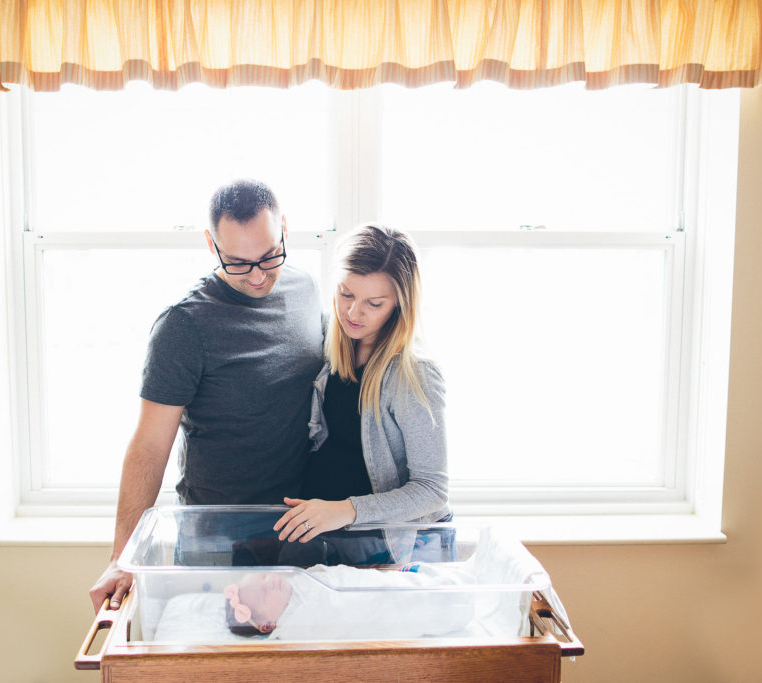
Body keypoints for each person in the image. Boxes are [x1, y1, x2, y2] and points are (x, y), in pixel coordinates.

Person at [89, 179, 324, 613]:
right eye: (238, 262)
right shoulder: (184, 326)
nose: (257, 275)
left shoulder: (306, 290)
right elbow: (149, 445)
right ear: (210, 244)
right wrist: (120, 558)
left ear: (285, 230)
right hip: (215, 535)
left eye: (269, 256)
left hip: (298, 528)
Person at [273, 224, 450, 545]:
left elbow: (432, 490)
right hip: (325, 535)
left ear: (399, 303)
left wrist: (346, 510)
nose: (353, 312)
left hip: (383, 546)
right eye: (346, 294)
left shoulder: (415, 373)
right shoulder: (328, 339)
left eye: (374, 303)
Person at [222, 563, 476, 640]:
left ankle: (443, 587)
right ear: (268, 625)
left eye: (265, 576)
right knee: (412, 601)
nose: (271, 582)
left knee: (395, 585)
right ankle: (452, 599)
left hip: (379, 585)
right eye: (265, 594)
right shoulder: (297, 628)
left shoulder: (301, 581)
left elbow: (341, 574)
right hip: (382, 606)